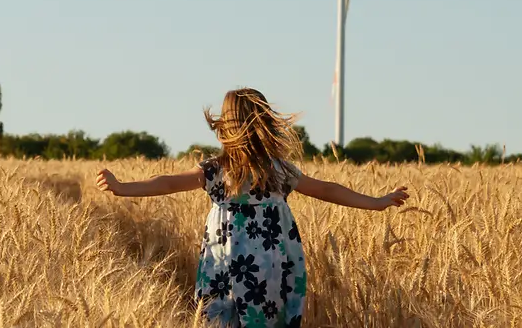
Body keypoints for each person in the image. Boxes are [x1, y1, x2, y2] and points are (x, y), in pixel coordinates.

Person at [94, 87, 407, 328]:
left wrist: (123, 188)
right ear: (265, 123)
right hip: (273, 264)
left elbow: (165, 183)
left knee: (222, 318)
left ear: (227, 127)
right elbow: (327, 190)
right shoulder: (279, 171)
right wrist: (376, 202)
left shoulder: (215, 170)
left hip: (228, 263)